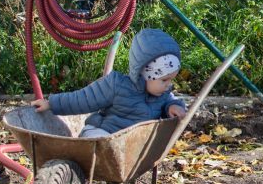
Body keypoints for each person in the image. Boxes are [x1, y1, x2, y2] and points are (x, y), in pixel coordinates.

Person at [31, 28, 187, 137]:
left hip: (131, 144)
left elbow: (170, 101)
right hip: (103, 132)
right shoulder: (116, 85)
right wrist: (51, 104)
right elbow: (83, 98)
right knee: (97, 141)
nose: (169, 85)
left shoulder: (163, 93)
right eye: (164, 79)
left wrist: (174, 106)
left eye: (171, 79)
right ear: (144, 74)